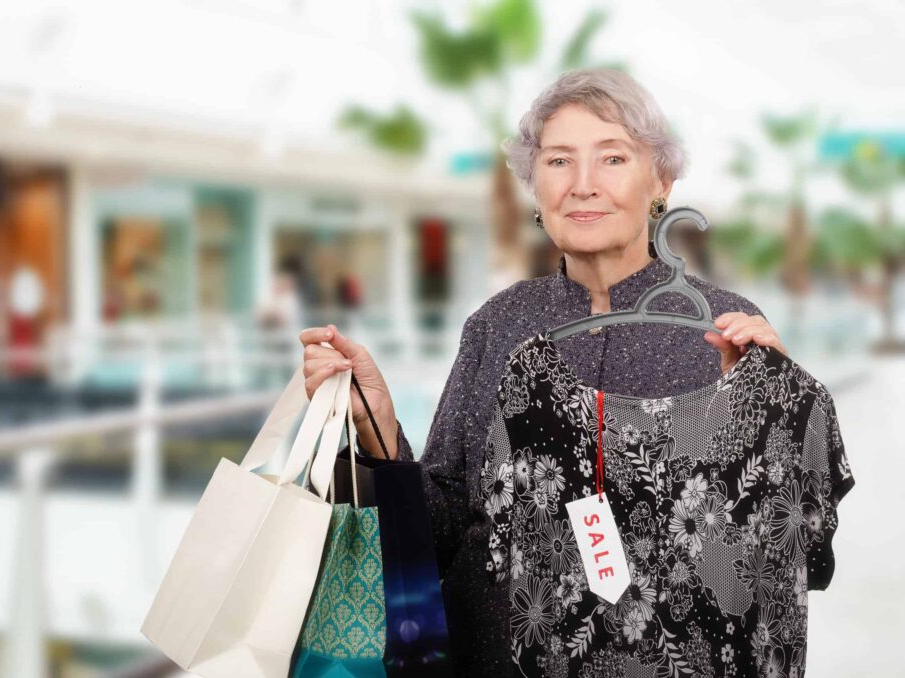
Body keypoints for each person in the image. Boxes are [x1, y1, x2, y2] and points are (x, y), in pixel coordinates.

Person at [297, 68, 787, 676]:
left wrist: (771, 419)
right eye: (558, 162)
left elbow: (788, 557)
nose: (582, 185)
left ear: (661, 178)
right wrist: (381, 426)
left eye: (612, 158)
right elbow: (444, 524)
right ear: (535, 186)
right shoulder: (498, 324)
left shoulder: (725, 328)